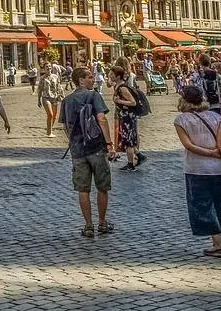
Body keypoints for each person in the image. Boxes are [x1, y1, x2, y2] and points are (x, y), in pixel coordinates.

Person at [173, 84, 221, 257]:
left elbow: (188, 145)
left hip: (195, 169)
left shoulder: (181, 120)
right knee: (216, 203)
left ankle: (218, 243)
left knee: (202, 205)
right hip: (216, 169)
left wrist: (209, 153)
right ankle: (217, 241)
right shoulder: (216, 117)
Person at [61, 67, 117, 238]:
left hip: (77, 150)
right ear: (80, 80)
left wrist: (75, 140)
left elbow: (65, 127)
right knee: (102, 187)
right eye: (90, 78)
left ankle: (88, 225)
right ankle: (102, 222)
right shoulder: (93, 96)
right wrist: (109, 144)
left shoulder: (67, 100)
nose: (93, 80)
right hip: (96, 148)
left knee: (83, 189)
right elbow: (102, 119)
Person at [109, 62, 146, 172]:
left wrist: (118, 101)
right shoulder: (118, 86)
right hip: (124, 115)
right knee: (128, 139)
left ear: (118, 76)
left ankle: (131, 165)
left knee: (129, 141)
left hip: (128, 116)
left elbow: (133, 102)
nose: (110, 76)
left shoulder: (123, 88)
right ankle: (139, 156)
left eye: (111, 74)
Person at [36, 63, 65, 137]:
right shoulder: (42, 78)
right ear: (44, 69)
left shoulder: (55, 76)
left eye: (49, 66)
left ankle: (49, 130)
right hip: (46, 97)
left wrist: (62, 95)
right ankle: (49, 133)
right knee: (50, 114)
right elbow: (40, 89)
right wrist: (39, 100)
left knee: (54, 116)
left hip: (54, 97)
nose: (48, 68)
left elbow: (59, 86)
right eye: (47, 67)